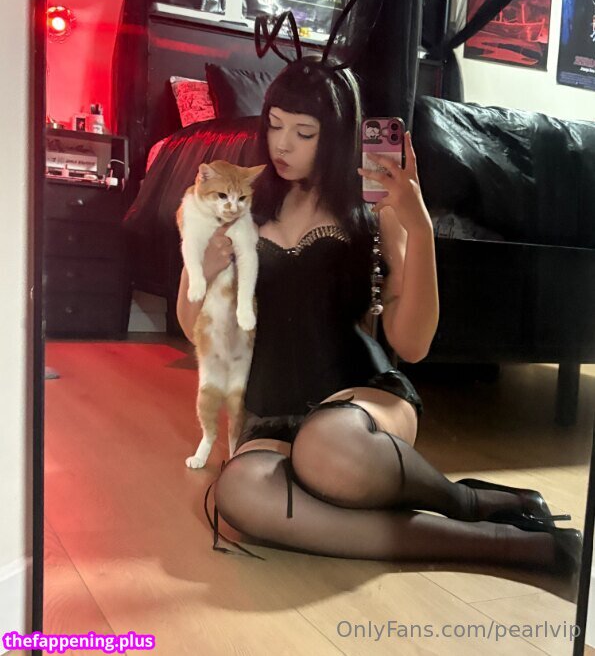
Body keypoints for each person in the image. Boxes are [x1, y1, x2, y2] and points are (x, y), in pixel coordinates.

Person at [177, 54, 581, 579]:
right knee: (238, 491)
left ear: (338, 137)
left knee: (325, 446)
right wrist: (202, 270)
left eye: (304, 132)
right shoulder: (241, 211)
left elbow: (411, 344)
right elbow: (192, 327)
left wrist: (420, 228)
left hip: (362, 401)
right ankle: (497, 539)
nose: (282, 145)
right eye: (274, 125)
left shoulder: (372, 213)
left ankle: (464, 502)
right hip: (270, 415)